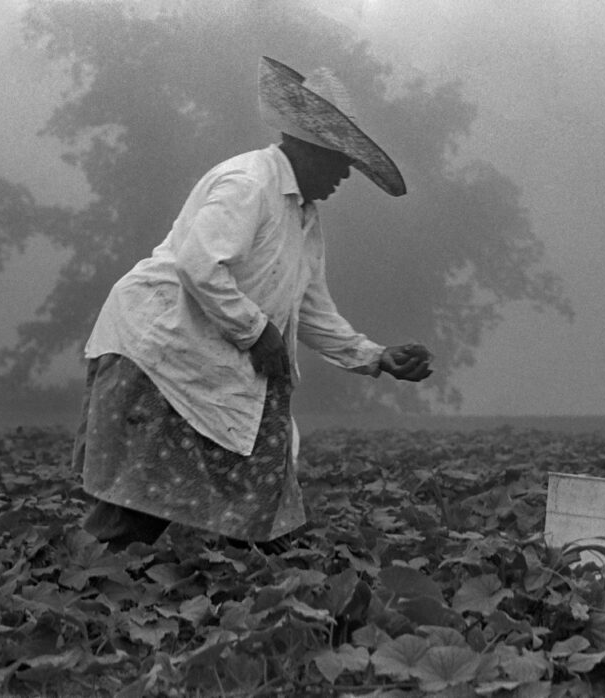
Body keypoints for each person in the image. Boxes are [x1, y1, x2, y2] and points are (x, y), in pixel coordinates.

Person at [73, 56, 433, 554]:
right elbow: (199, 265)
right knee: (136, 505)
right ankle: (84, 586)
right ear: (307, 149)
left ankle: (259, 599)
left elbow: (307, 306)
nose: (344, 178)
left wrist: (374, 356)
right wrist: (256, 331)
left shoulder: (304, 215)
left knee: (258, 498)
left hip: (208, 364)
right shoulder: (248, 183)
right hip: (159, 352)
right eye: (339, 163)